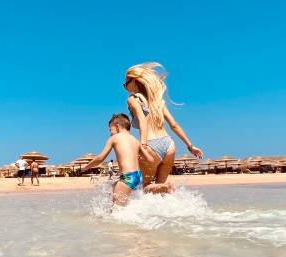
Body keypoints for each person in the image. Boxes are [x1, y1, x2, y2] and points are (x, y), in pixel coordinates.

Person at [124, 62, 203, 194]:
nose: (125, 86)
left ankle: (168, 187)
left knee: (145, 187)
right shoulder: (157, 101)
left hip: (150, 144)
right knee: (158, 189)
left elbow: (142, 121)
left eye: (126, 82)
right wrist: (190, 146)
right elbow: (174, 125)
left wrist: (142, 144)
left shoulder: (133, 99)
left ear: (135, 81)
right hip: (169, 145)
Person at [82, 113, 141, 206]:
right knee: (113, 188)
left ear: (117, 127)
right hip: (138, 176)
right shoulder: (136, 140)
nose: (110, 133)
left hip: (127, 177)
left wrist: (86, 167)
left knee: (116, 211)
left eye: (110, 130)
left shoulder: (114, 138)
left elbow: (100, 158)